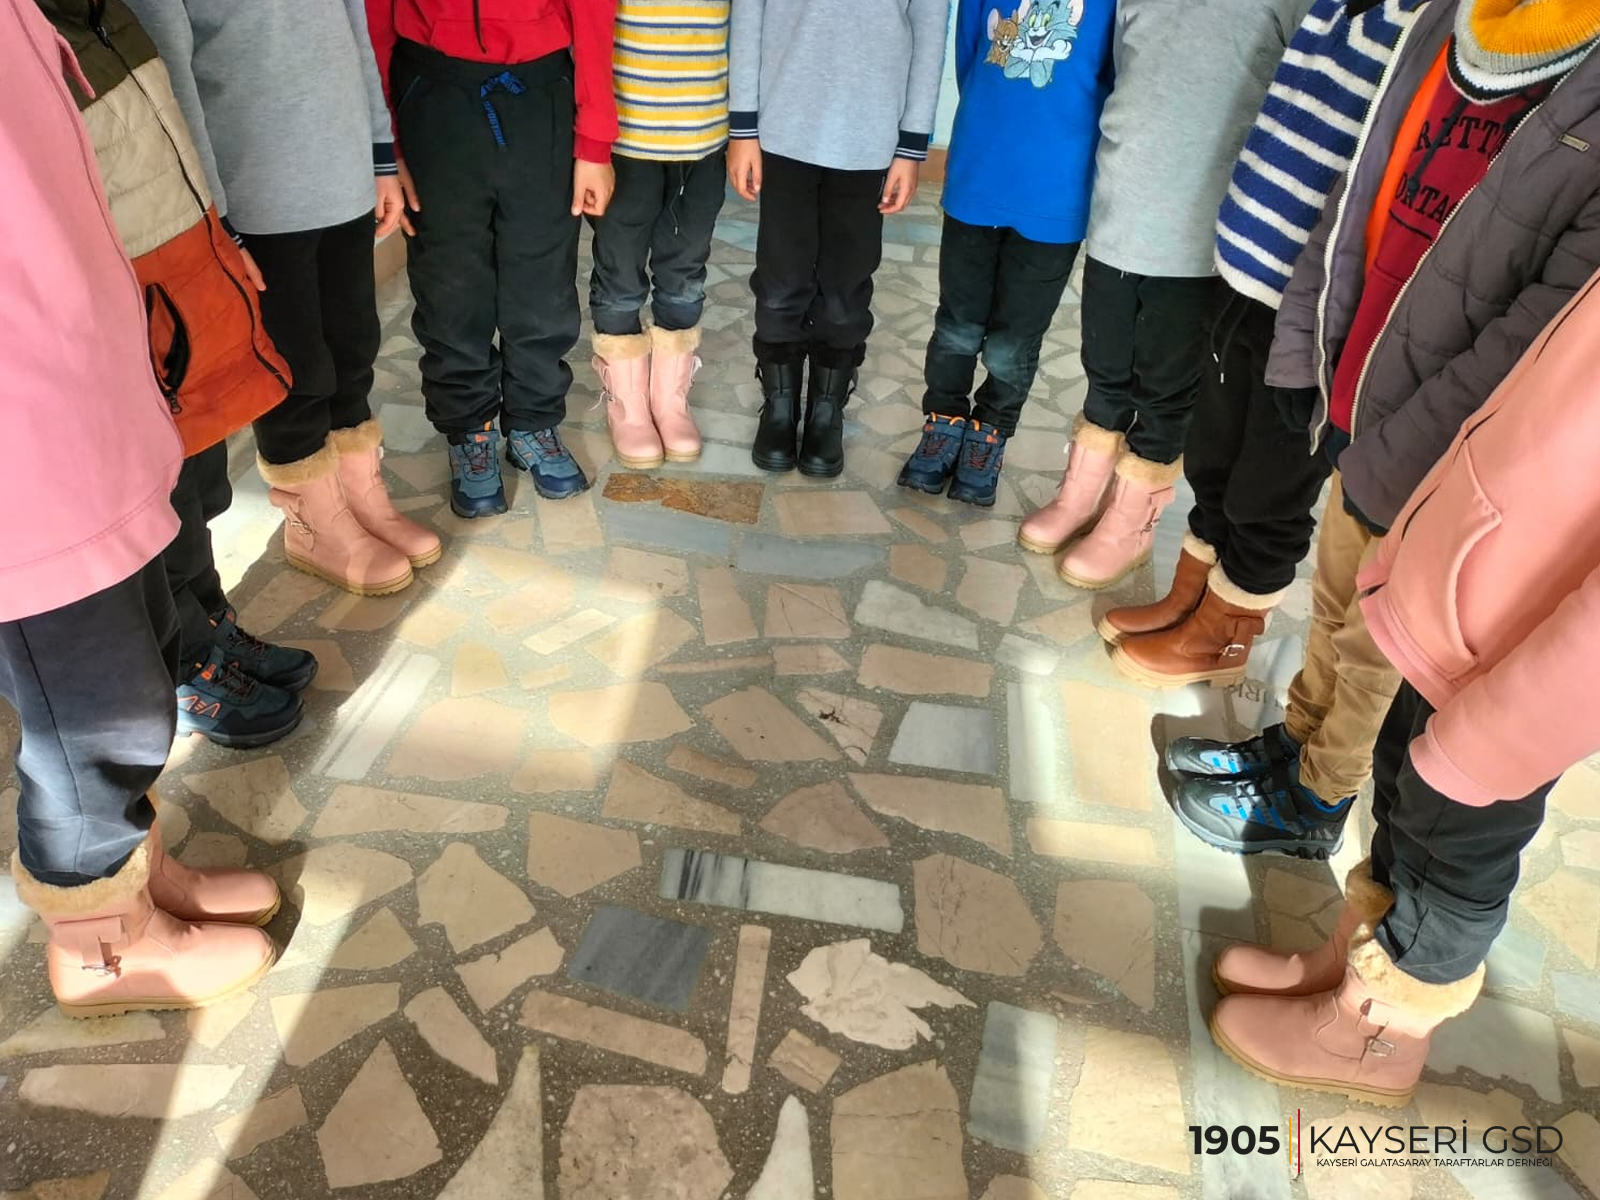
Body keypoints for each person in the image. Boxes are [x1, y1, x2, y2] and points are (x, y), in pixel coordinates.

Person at [1164, 0, 1600, 861]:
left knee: (1373, 645)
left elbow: (1534, 337)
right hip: (1361, 392)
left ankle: (1318, 797)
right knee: (1332, 608)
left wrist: (1395, 454)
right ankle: (1296, 745)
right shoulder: (1449, 19)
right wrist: (1306, 353)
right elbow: (1353, 194)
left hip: (1444, 450)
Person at [1209, 266, 1600, 1103]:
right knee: (1403, 807)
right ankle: (1350, 959)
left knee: (1451, 854)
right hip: (1477, 595)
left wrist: (1511, 732)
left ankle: (1376, 1031)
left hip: (1522, 671)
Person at [3, 0, 278, 1019]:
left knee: (145, 651)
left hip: (75, 383)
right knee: (93, 717)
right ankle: (100, 945)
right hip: (19, 445)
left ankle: (142, 876)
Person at [1095, 0, 1429, 689]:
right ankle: (1192, 597)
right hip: (1247, 262)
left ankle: (1224, 635)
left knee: (1268, 487)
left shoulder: (1430, 19)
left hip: (1317, 298)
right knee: (1214, 454)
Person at [39, 0, 315, 750]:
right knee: (153, 494)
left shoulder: (104, 10)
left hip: (175, 259)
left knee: (194, 478)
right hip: (117, 289)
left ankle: (210, 621)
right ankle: (186, 659)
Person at [129, 0, 443, 598]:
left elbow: (355, 35)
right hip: (258, 201)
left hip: (344, 180)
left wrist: (380, 155)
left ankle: (360, 498)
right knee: (296, 370)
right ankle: (316, 523)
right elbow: (173, 87)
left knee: (352, 348)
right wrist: (217, 221)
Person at [1016, 0, 1314, 583]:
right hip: (1119, 212)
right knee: (1104, 368)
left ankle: (1130, 524)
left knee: (1165, 391)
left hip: (1200, 234)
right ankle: (1079, 497)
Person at [365, 0, 620, 517]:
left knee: (543, 278)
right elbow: (373, 18)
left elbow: (595, 13)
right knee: (449, 281)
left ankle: (534, 421)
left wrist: (595, 142)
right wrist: (385, 149)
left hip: (541, 95)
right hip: (433, 95)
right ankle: (468, 428)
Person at [896, 0, 1114, 509]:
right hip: (979, 172)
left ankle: (990, 430)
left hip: (1058, 190)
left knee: (1015, 338)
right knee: (957, 322)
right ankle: (944, 421)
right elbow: (970, 58)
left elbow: (1113, 82)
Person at [731, 0, 951, 478]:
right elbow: (748, 14)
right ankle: (780, 404)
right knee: (781, 280)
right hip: (783, 128)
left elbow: (930, 31)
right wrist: (742, 127)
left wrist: (912, 144)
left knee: (846, 289)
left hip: (870, 137)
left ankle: (826, 409)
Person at [588, 0, 730, 470]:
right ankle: (628, 405)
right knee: (619, 276)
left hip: (703, 140)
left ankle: (670, 401)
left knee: (685, 272)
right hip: (623, 140)